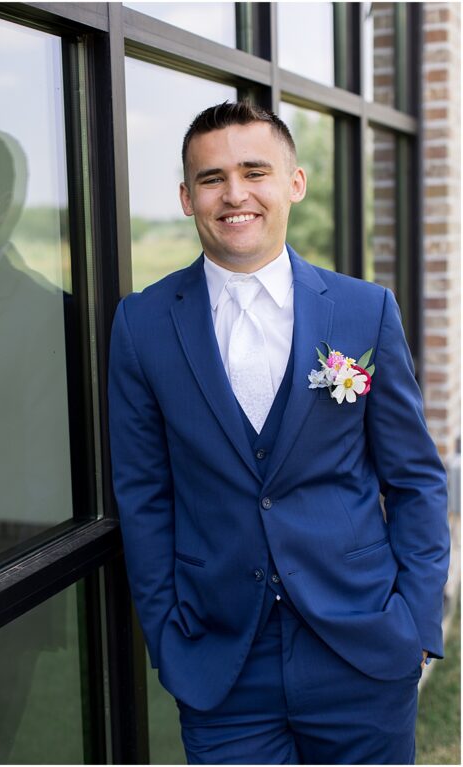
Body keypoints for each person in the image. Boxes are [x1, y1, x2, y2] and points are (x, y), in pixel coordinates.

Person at [108, 101, 449, 764]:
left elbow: (415, 479)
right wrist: (169, 636)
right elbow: (143, 497)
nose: (234, 194)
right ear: (186, 197)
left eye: (254, 171)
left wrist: (413, 620)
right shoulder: (142, 324)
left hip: (361, 646)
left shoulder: (364, 310)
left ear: (293, 182)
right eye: (211, 178)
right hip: (222, 659)